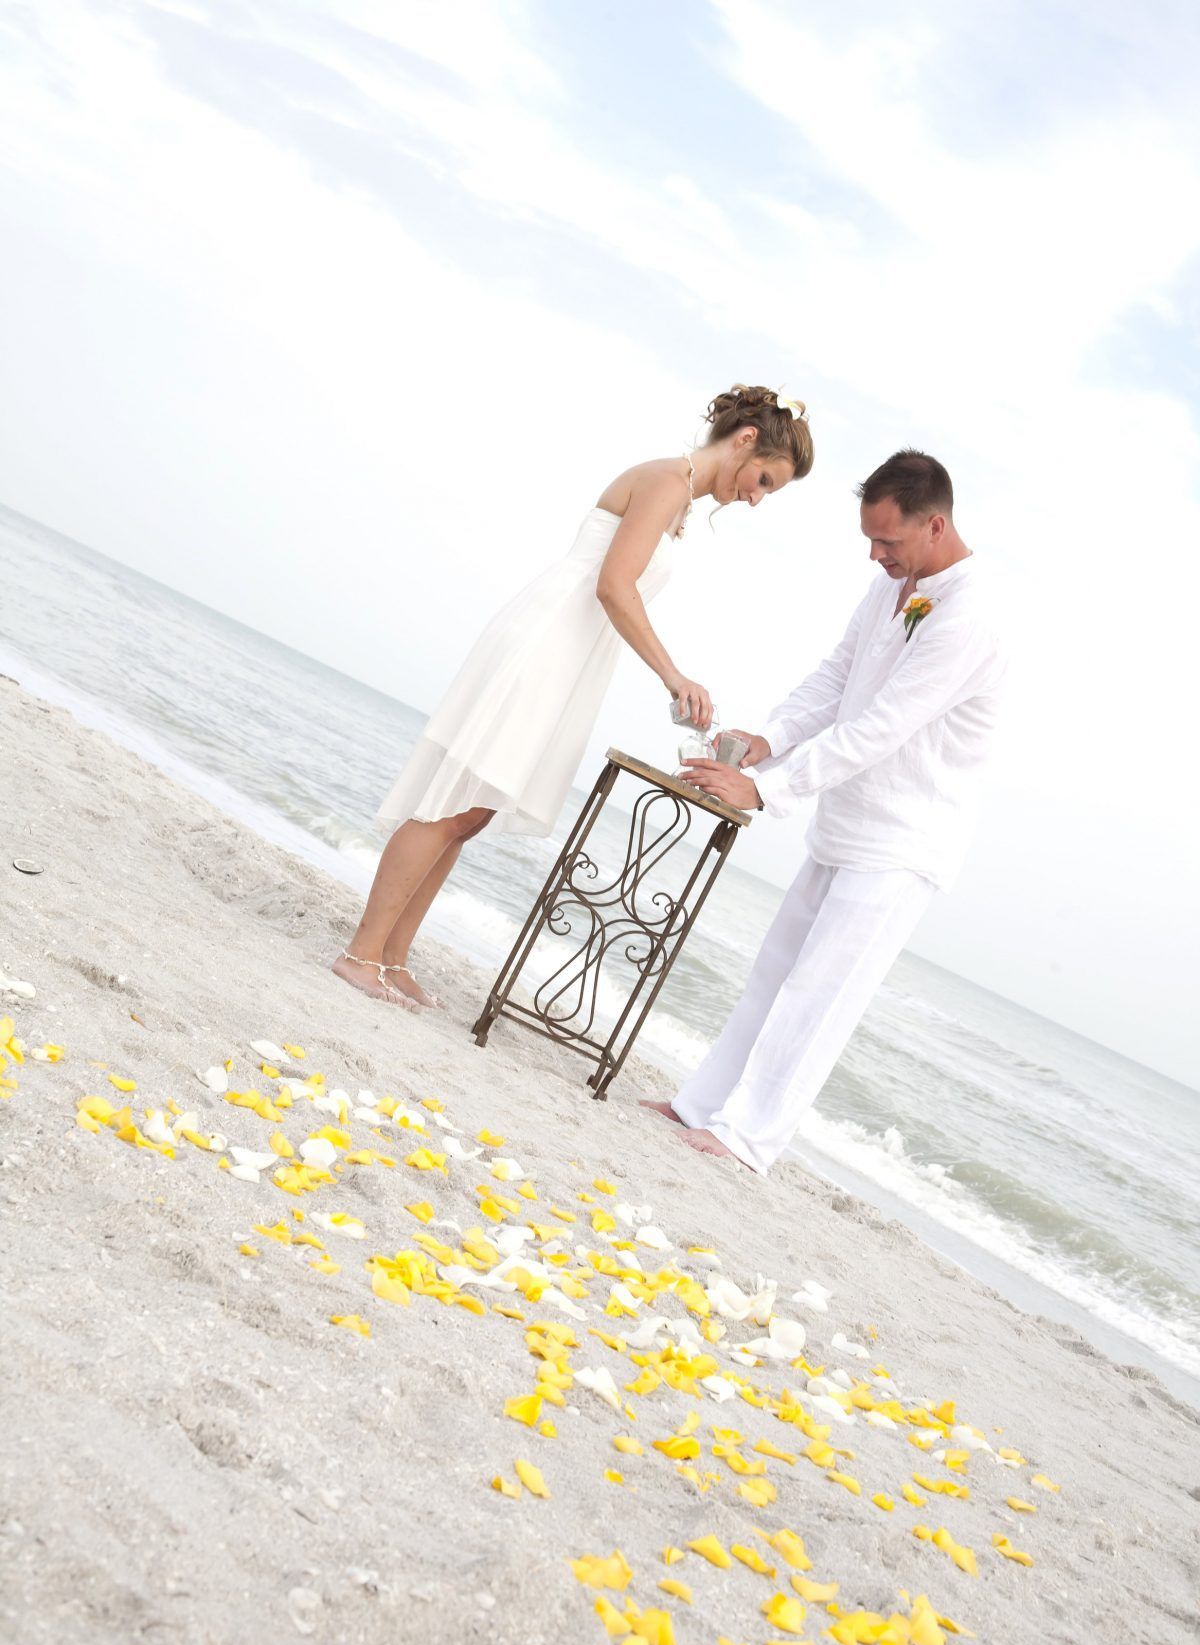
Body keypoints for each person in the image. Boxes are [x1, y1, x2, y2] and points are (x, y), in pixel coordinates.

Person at [334, 386, 815, 1006]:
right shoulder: (669, 479)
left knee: (474, 812)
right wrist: (675, 677)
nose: (755, 497)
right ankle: (361, 953)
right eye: (765, 480)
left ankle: (392, 959)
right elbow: (614, 586)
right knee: (451, 803)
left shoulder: (679, 501)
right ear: (746, 441)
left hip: (571, 656)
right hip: (545, 643)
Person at [644, 448, 1005, 1173]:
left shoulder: (972, 613)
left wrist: (766, 790)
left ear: (935, 526)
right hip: (846, 820)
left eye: (889, 542)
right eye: (870, 540)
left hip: (905, 839)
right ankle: (703, 1106)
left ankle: (749, 1138)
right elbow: (836, 680)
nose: (875, 556)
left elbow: (882, 726)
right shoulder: (890, 586)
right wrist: (764, 742)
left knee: (820, 994)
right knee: (775, 970)